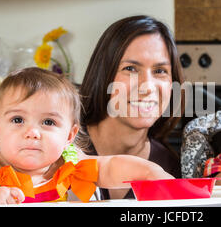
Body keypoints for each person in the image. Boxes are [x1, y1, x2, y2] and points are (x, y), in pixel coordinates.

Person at [0, 67, 173, 206]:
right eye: (18, 120)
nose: (32, 132)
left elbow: (110, 166)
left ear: (69, 134)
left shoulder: (69, 162)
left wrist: (149, 172)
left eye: (48, 122)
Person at [77, 15, 184, 199]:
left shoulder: (169, 166)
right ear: (104, 74)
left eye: (160, 71)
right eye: (131, 69)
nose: (147, 86)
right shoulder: (61, 145)